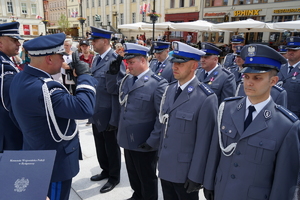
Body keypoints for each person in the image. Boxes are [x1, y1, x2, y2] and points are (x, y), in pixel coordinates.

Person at [203, 44, 299, 200]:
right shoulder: (228, 108)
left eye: (257, 78)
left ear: (273, 81)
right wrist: (209, 184)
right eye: (246, 76)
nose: (249, 82)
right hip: (222, 191)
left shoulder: (286, 125)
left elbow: (284, 180)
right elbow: (215, 152)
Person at [9, 33, 97, 200]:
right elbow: (84, 108)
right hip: (54, 163)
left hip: (34, 150)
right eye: (61, 56)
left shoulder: (19, 77)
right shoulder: (46, 88)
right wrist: (86, 76)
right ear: (49, 59)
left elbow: (14, 115)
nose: (63, 60)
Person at [107, 43, 168, 200]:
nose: (128, 65)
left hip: (144, 141)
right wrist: (112, 73)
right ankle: (137, 195)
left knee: (147, 178)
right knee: (133, 174)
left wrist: (153, 141)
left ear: (143, 60)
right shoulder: (128, 79)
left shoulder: (158, 84)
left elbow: (161, 117)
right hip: (128, 138)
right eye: (127, 62)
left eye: (131, 62)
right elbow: (113, 90)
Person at [158, 41, 218, 200]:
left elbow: (204, 143)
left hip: (185, 173)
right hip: (166, 166)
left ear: (193, 66)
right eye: (174, 62)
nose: (174, 67)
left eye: (180, 63)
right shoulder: (170, 89)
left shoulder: (205, 98)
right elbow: (165, 127)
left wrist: (196, 176)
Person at [88, 27, 125, 193]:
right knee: (100, 145)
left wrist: (115, 118)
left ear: (104, 41)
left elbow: (120, 90)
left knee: (111, 147)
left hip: (109, 113)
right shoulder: (96, 59)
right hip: (97, 111)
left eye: (95, 41)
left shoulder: (115, 59)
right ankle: (105, 170)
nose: (92, 43)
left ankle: (114, 177)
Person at [0, 22, 23, 153]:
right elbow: (10, 105)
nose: (19, 44)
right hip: (8, 135)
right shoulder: (4, 66)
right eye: (14, 40)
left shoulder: (6, 62)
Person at [277, 36, 300, 117]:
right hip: (276, 113)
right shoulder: (278, 68)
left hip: (295, 116)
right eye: (289, 50)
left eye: (294, 50)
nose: (290, 52)